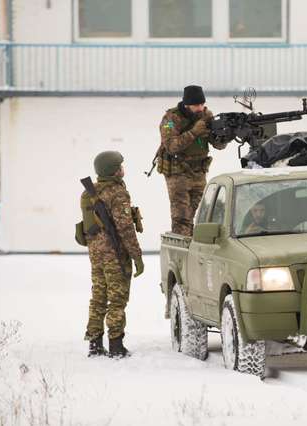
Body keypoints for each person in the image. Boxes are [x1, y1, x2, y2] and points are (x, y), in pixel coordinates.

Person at [80, 151, 144, 358]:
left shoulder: (89, 193)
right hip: (115, 256)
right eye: (120, 166)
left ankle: (95, 345)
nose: (123, 168)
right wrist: (137, 256)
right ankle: (116, 345)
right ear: (112, 170)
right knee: (117, 299)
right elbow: (125, 229)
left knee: (98, 298)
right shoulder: (117, 193)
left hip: (96, 257)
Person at [158, 85, 228, 236]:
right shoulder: (171, 118)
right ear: (186, 104)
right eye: (196, 105)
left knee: (197, 213)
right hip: (178, 173)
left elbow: (218, 145)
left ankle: (191, 246)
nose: (200, 108)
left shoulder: (206, 115)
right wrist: (194, 132)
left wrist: (224, 136)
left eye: (202, 104)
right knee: (181, 217)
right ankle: (181, 253)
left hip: (199, 172)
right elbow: (171, 146)